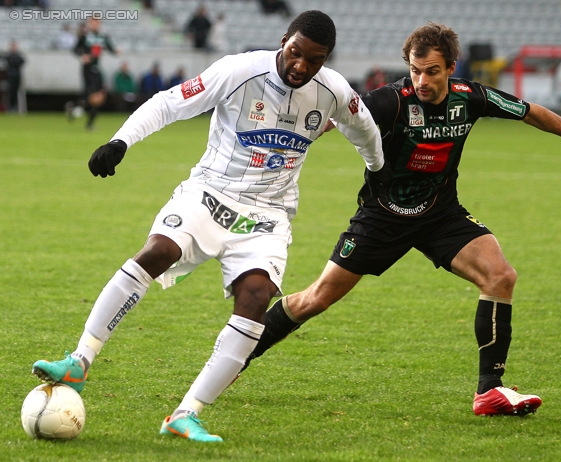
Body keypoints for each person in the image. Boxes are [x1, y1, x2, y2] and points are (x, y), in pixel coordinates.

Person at [242, 22, 561, 416]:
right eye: (415, 70)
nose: (421, 80)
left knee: (500, 276)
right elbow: (336, 117)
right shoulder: (392, 101)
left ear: (451, 67)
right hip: (383, 217)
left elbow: (531, 112)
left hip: (440, 213)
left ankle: (490, 390)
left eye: (431, 71)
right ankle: (234, 359)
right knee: (316, 299)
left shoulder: (471, 97)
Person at [31, 10, 389, 443]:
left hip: (267, 214)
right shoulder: (239, 70)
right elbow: (169, 102)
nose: (301, 66)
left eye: (314, 59)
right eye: (295, 52)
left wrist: (377, 171)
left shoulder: (333, 91)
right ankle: (80, 360)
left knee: (256, 297)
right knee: (158, 251)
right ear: (284, 40)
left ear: (325, 59)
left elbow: (364, 129)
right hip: (209, 194)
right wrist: (120, 140)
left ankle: (186, 413)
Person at [71, 16, 118, 130]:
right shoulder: (85, 36)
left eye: (96, 22)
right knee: (92, 95)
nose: (94, 24)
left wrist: (115, 51)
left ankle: (78, 110)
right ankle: (78, 110)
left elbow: (110, 48)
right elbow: (75, 49)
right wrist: (83, 55)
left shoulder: (102, 36)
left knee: (100, 97)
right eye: (92, 22)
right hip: (88, 68)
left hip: (97, 68)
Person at [5, 40, 25, 113]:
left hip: (17, 76)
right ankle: (10, 106)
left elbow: (22, 61)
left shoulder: (18, 56)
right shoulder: (8, 55)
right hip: (10, 76)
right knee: (11, 91)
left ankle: (16, 106)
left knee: (17, 91)